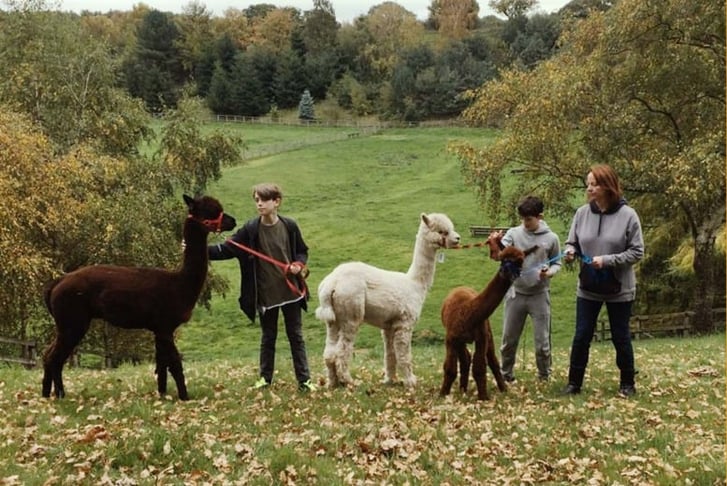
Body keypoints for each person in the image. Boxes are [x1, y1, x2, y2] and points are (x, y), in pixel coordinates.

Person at [208, 183, 316, 392]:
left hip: (291, 293)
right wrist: (197, 249)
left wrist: (298, 265)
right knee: (268, 337)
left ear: (276, 202)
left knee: (296, 336)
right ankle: (265, 379)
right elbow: (225, 250)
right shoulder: (250, 230)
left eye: (264, 200)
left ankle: (305, 381)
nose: (259, 204)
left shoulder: (289, 226)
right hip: (266, 295)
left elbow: (302, 251)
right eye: (256, 200)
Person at [561, 164, 644, 397]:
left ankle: (627, 384)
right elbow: (572, 242)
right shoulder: (581, 214)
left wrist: (606, 260)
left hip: (620, 289)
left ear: (607, 186)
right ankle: (573, 384)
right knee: (582, 335)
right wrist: (569, 252)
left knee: (620, 336)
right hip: (588, 288)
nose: (589, 188)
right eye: (588, 183)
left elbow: (637, 252)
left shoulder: (628, 216)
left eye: (594, 184)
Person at [489, 196, 561, 383]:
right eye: (522, 219)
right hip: (516, 294)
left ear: (540, 217)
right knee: (509, 340)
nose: (525, 223)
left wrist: (549, 272)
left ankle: (544, 376)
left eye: (529, 219)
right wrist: (496, 243)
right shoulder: (514, 233)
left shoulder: (551, 238)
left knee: (542, 344)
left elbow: (557, 263)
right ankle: (506, 376)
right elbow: (500, 255)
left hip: (539, 295)